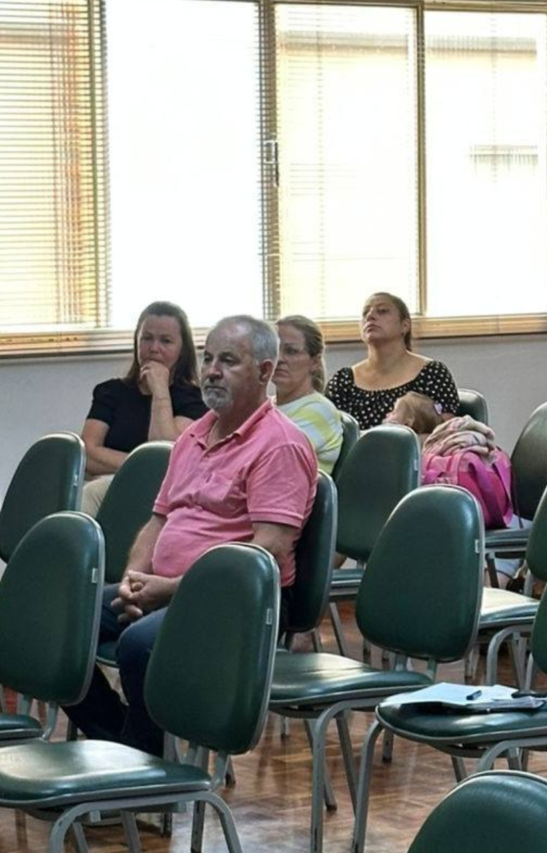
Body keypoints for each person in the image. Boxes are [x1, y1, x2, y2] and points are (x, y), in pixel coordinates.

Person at [64, 315, 318, 756]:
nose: (212, 370)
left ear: (263, 372)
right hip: (168, 586)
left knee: (139, 645)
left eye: (229, 361)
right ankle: (129, 752)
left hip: (240, 599)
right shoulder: (193, 435)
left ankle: (143, 772)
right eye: (208, 358)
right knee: (60, 623)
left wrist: (172, 591)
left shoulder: (281, 445)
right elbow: (159, 519)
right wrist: (133, 580)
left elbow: (263, 555)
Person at [79, 302, 207, 516]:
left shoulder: (193, 399)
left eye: (166, 341)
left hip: (162, 498)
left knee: (92, 492)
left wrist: (160, 391)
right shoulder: (110, 392)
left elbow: (165, 456)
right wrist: (137, 468)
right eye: (147, 338)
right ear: (137, 341)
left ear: (182, 350)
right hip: (111, 489)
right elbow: (88, 454)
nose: (154, 348)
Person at [325, 292, 460, 430]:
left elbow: (444, 436)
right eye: (366, 313)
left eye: (382, 311)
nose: (370, 316)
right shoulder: (343, 380)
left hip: (415, 451)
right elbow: (327, 436)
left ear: (405, 325)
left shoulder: (432, 373)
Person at [274, 315, 344, 475]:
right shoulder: (267, 406)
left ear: (315, 362)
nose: (279, 359)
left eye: (291, 351)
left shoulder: (320, 410)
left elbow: (270, 457)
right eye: (274, 349)